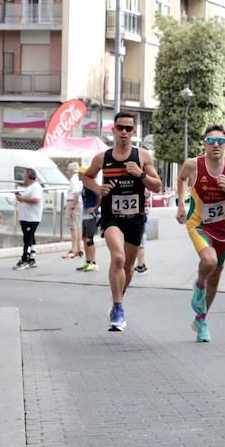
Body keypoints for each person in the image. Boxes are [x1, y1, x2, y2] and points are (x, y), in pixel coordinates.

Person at [81, 112, 162, 332]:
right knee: (118, 258)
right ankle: (118, 309)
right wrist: (98, 188)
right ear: (113, 130)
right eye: (120, 128)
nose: (124, 132)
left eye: (128, 128)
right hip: (112, 217)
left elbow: (157, 186)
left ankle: (118, 300)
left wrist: (140, 174)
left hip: (135, 218)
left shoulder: (142, 156)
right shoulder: (102, 158)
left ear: (134, 131)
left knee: (128, 267)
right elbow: (86, 176)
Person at [176, 124, 225, 343]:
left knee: (216, 275)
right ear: (204, 144)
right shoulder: (193, 165)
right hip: (198, 224)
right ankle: (199, 285)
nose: (216, 145)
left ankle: (201, 320)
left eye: (221, 141)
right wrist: (181, 205)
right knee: (209, 261)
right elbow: (181, 179)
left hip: (224, 228)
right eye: (211, 141)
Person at [14, 169, 44, 271]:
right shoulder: (29, 187)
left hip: (31, 218)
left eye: (24, 175)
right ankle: (31, 258)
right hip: (26, 217)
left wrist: (22, 199)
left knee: (27, 238)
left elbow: (36, 199)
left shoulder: (35, 187)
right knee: (30, 237)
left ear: (28, 176)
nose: (23, 177)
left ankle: (25, 259)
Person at [75, 167, 100, 273]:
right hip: (85, 216)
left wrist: (95, 208)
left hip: (91, 216)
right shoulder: (84, 185)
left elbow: (101, 195)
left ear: (83, 174)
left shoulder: (91, 185)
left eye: (79, 173)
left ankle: (93, 263)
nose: (77, 175)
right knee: (84, 238)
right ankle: (88, 261)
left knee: (89, 239)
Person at [62, 162, 83, 259]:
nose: (67, 172)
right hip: (79, 203)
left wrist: (71, 208)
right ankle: (78, 249)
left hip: (73, 202)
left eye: (68, 170)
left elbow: (76, 194)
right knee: (77, 226)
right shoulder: (79, 178)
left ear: (71, 170)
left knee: (73, 227)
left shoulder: (74, 179)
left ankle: (74, 249)